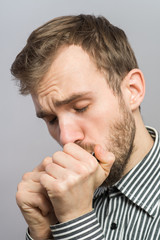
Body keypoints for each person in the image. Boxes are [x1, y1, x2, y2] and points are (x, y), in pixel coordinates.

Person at [11, 14, 159, 240]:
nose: (66, 137)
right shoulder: (60, 199)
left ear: (132, 90)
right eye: (51, 120)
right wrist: (44, 235)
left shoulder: (71, 208)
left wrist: (75, 219)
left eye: (80, 107)